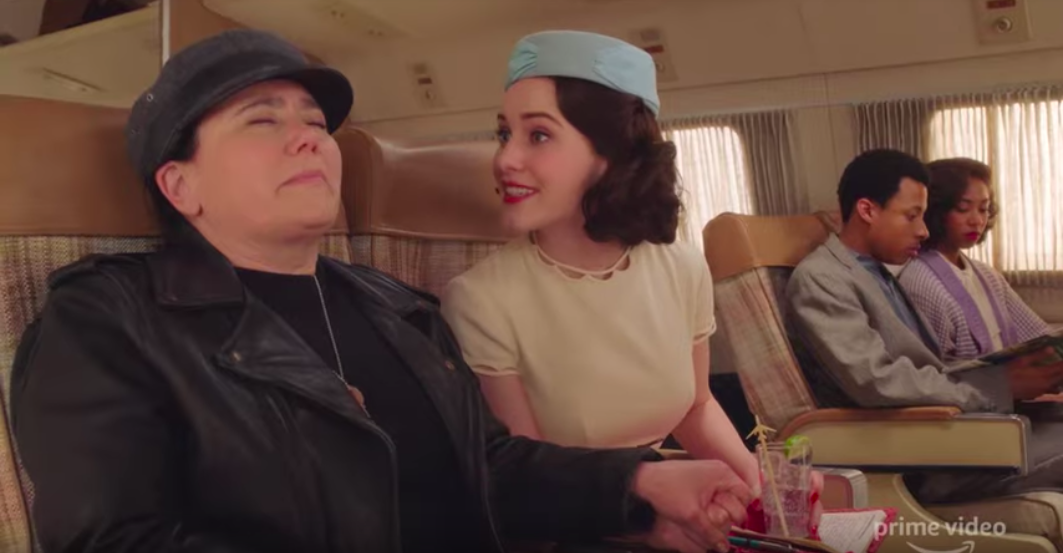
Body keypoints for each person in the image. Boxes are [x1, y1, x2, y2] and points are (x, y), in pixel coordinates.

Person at [10, 29, 753, 553]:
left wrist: (639, 490)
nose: (309, 136)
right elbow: (116, 538)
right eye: (263, 120)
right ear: (181, 185)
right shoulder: (108, 320)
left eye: (315, 122)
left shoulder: (396, 307)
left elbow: (490, 470)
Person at [440, 29, 821, 530]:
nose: (505, 159)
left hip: (661, 495)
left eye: (538, 135)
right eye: (504, 134)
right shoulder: (479, 300)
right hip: (578, 525)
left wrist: (762, 491)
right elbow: (534, 482)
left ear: (613, 154)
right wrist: (652, 523)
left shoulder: (682, 267)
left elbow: (695, 407)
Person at [785, 148, 1063, 507]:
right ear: (867, 210)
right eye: (911, 216)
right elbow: (877, 381)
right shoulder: (822, 279)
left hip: (938, 431)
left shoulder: (875, 271)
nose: (923, 230)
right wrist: (996, 389)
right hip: (915, 452)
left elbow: (928, 366)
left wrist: (1006, 378)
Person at [898, 157, 1050, 362]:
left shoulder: (987, 274)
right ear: (935, 210)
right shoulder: (919, 282)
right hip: (979, 383)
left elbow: (1037, 335)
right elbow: (935, 369)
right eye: (963, 208)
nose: (977, 220)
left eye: (983, 209)